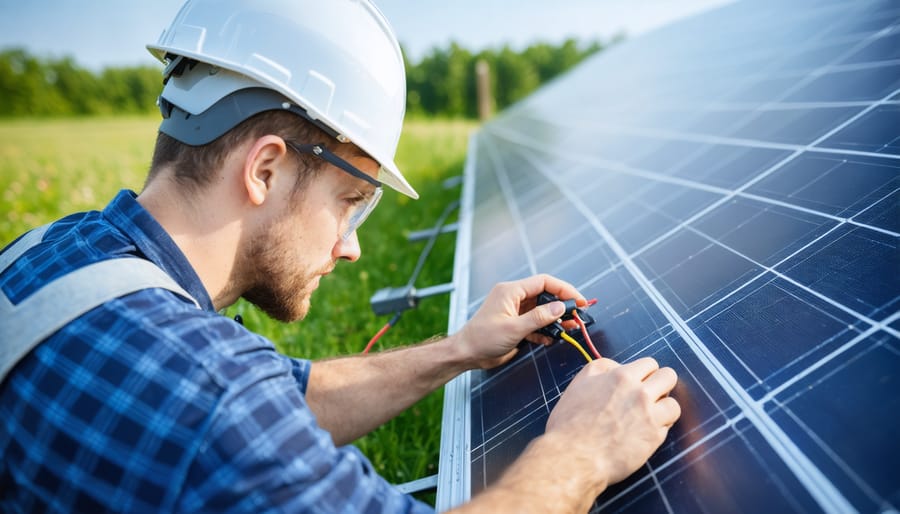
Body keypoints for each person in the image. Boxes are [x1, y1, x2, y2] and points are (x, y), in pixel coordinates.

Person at [0, 0, 681, 512]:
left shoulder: (49, 254)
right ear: (265, 168)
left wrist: (462, 348)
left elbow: (286, 399)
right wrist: (579, 452)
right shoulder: (216, 407)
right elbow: (236, 413)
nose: (352, 246)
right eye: (350, 198)